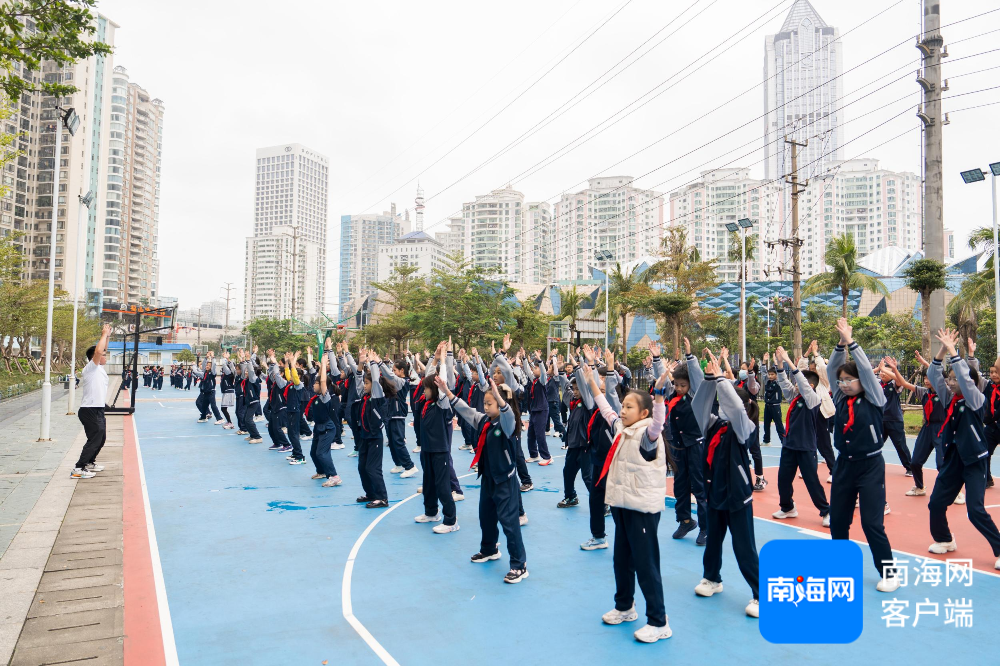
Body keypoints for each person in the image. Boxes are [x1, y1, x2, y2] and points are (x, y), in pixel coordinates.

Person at [583, 360, 672, 644]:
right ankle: (625, 606)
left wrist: (659, 396)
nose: (623, 409)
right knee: (621, 560)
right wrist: (591, 382)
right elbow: (605, 407)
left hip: (642, 509)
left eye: (629, 406)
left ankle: (659, 621)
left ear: (643, 412)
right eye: (624, 405)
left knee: (646, 565)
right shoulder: (622, 428)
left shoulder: (648, 434)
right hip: (622, 504)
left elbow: (659, 422)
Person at [827, 318, 899, 591]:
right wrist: (840, 344)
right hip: (844, 465)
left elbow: (868, 373)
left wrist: (853, 343)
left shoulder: (875, 398)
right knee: (838, 522)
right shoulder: (838, 398)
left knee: (872, 523)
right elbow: (833, 368)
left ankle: (890, 573)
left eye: (849, 380)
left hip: (870, 466)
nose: (844, 384)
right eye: (841, 381)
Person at [438, 374, 528, 582]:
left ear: (500, 403)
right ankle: (489, 549)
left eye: (489, 403)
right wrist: (448, 392)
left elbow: (508, 415)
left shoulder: (507, 424)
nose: (485, 407)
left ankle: (519, 564)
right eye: (485, 403)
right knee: (486, 517)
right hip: (488, 478)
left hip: (505, 480)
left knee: (509, 522)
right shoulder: (485, 422)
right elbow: (466, 411)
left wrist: (500, 397)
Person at [691, 352, 760, 618]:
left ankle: (760, 593)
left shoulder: (746, 427)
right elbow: (699, 407)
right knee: (713, 541)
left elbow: (734, 407)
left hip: (738, 496)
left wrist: (723, 379)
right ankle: (712, 579)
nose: (722, 406)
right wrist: (710, 379)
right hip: (715, 492)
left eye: (726, 400)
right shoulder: (714, 424)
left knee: (744, 547)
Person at [925, 329, 1000, 568]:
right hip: (953, 459)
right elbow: (933, 373)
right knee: (936, 503)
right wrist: (941, 350)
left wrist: (953, 352)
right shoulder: (949, 399)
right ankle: (945, 539)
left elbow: (966, 381)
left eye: (954, 379)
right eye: (949, 379)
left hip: (975, 461)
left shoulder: (977, 400)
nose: (950, 382)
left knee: (975, 510)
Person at [771, 346, 831, 526]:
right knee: (783, 480)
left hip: (806, 448)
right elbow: (784, 383)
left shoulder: (813, 400)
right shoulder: (795, 398)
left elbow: (802, 384)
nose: (796, 384)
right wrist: (781, 364)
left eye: (801, 382)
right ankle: (787, 507)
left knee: (812, 482)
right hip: (790, 446)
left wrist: (790, 361)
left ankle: (826, 511)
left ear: (810, 385)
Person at [414, 341, 460, 532]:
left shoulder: (442, 404)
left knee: (442, 486)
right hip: (427, 450)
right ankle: (432, 512)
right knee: (429, 482)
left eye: (427, 388)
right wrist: (434, 357)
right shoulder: (426, 403)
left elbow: (440, 382)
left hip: (439, 450)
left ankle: (451, 521)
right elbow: (429, 376)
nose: (423, 390)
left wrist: (442, 359)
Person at [667, 338, 709, 545]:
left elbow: (697, 377)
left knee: (699, 486)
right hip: (677, 446)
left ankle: (706, 527)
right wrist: (658, 360)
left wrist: (690, 355)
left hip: (695, 445)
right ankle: (685, 520)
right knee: (680, 485)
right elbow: (663, 379)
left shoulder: (695, 395)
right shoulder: (672, 395)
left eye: (683, 385)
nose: (679, 388)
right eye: (676, 384)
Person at [72, 324, 112, 479]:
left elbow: (102, 349)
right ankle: (78, 468)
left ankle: (89, 462)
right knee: (94, 439)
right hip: (89, 410)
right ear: (95, 357)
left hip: (98, 409)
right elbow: (98, 351)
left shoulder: (100, 368)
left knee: (101, 439)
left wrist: (107, 336)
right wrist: (102, 334)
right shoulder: (91, 367)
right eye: (103, 354)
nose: (105, 355)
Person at [352, 349, 389, 508]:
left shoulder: (376, 398)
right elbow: (358, 380)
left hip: (374, 437)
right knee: (362, 467)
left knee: (373, 468)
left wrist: (373, 363)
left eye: (367, 384)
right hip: (364, 437)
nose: (364, 386)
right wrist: (360, 363)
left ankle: (382, 498)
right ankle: (370, 493)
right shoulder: (364, 397)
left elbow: (375, 380)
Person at [557, 348, 592, 509]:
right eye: (575, 389)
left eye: (578, 389)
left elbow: (585, 389)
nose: (576, 392)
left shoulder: (588, 403)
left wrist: (577, 367)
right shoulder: (573, 403)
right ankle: (571, 497)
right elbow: (566, 387)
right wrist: (560, 370)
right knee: (567, 472)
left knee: (588, 476)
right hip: (573, 445)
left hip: (585, 446)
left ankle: (602, 503)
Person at [304, 352, 343, 487]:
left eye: (316, 383)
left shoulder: (324, 397)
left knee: (322, 453)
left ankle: (334, 476)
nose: (313, 385)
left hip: (327, 428)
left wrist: (324, 364)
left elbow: (322, 380)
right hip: (318, 427)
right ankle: (321, 471)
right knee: (313, 452)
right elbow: (317, 378)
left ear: (322, 386)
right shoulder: (315, 397)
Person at [878, 357, 914, 477]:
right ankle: (869, 466)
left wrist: (892, 369)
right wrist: (879, 368)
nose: (882, 374)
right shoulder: (877, 384)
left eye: (885, 372)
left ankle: (910, 468)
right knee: (875, 444)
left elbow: (899, 380)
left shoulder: (895, 384)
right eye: (881, 372)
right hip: (879, 420)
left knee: (900, 445)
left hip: (894, 420)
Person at [523, 350, 554, 465]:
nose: (533, 370)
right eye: (534, 368)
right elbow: (527, 371)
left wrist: (540, 361)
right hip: (534, 410)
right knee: (530, 434)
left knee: (540, 434)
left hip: (542, 410)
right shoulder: (534, 380)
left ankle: (547, 456)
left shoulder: (542, 381)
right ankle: (534, 455)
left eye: (536, 368)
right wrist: (524, 359)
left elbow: (543, 372)